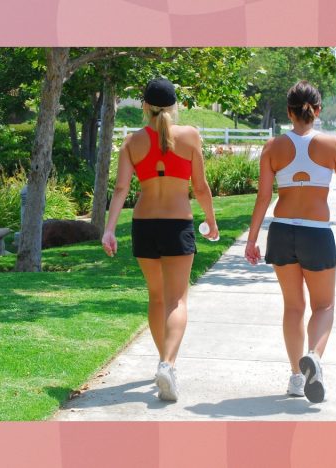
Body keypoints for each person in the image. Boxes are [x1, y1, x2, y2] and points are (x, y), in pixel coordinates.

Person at [245, 80, 336, 403]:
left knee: (293, 306)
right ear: (318, 110)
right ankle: (314, 355)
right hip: (316, 232)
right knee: (324, 305)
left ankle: (296, 377)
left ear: (289, 111)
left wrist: (252, 239)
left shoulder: (273, 148)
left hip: (282, 231)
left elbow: (262, 198)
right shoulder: (333, 145)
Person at [101, 77, 218, 402]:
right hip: (177, 224)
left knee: (155, 298)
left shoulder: (132, 143)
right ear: (174, 106)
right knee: (177, 300)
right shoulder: (191, 135)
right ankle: (167, 363)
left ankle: (165, 363)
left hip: (144, 225)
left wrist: (109, 229)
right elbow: (201, 187)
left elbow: (122, 190)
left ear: (144, 106)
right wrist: (210, 220)